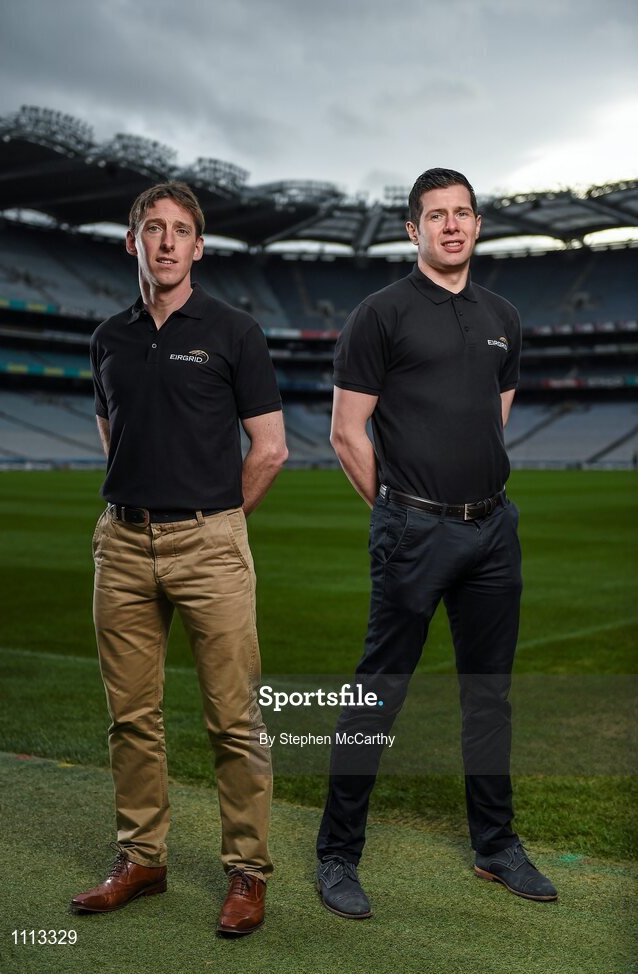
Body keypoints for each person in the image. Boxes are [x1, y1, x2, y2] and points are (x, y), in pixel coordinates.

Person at [315, 168, 557, 918]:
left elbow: (496, 414)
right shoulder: (379, 314)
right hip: (414, 529)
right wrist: (401, 510)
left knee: (489, 698)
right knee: (376, 695)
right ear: (412, 230)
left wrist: (469, 502)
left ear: (478, 225)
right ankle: (336, 854)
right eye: (435, 216)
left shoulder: (503, 316)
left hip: (493, 528)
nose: (450, 226)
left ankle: (495, 845)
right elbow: (345, 431)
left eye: (462, 214)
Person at [71, 181, 287, 936]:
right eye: (152, 228)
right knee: (131, 718)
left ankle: (248, 873)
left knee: (235, 721)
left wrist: (216, 522)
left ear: (199, 247)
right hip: (122, 544)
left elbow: (270, 449)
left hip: (210, 543)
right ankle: (141, 859)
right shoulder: (107, 339)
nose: (166, 242)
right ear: (132, 241)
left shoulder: (235, 331)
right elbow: (113, 436)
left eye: (181, 231)